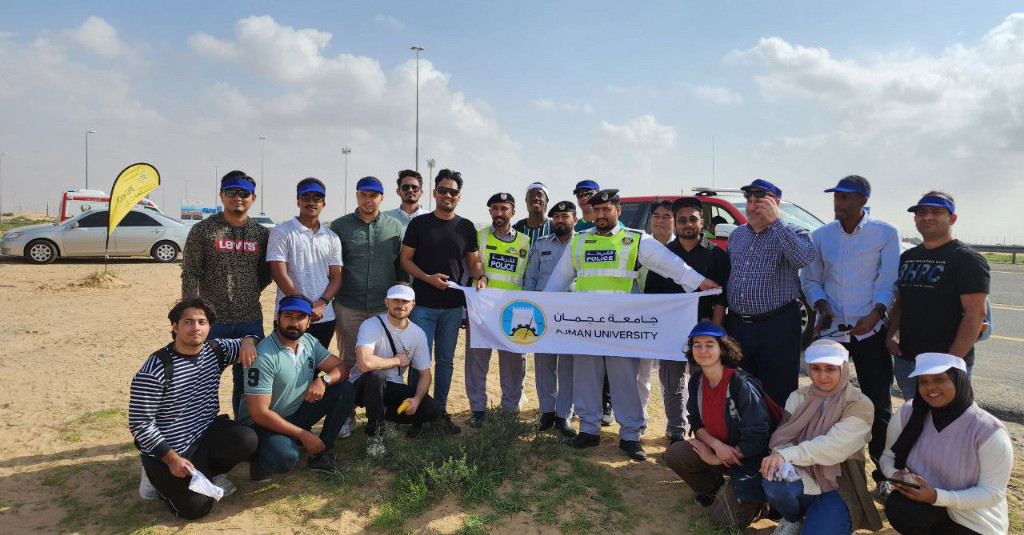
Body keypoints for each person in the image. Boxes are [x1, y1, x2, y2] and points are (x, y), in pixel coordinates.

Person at [544, 189, 719, 461]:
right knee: (586, 378)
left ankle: (630, 436)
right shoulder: (579, 242)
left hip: (622, 328)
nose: (601, 215)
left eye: (606, 210)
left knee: (625, 380)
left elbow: (670, 264)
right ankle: (588, 430)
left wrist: (699, 282)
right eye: (597, 210)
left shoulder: (635, 240)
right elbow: (556, 282)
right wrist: (543, 307)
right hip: (587, 327)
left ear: (617, 210)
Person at [800, 175, 901, 487]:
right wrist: (822, 305)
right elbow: (811, 278)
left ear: (863, 201)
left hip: (869, 332)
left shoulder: (885, 233)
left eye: (846, 198)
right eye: (836, 197)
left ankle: (883, 473)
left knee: (878, 403)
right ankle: (831, 469)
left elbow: (888, 281)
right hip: (834, 337)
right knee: (828, 400)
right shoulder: (821, 236)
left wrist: (877, 313)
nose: (838, 203)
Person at [128, 298, 259, 519]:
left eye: (202, 322)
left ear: (210, 327)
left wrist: (249, 339)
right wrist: (171, 459)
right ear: (175, 326)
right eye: (188, 322)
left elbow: (250, 341)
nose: (195, 328)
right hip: (168, 449)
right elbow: (140, 424)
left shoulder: (216, 350)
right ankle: (152, 479)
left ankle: (206, 473)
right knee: (197, 508)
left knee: (247, 439)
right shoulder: (156, 369)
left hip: (203, 434)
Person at [760, 340, 883, 535]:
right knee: (773, 483)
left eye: (830, 369)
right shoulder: (799, 397)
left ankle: (832, 518)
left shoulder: (859, 404)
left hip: (840, 481)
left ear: (843, 369)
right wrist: (782, 456)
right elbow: (782, 437)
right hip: (801, 471)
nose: (822, 376)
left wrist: (786, 454)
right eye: (816, 368)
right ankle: (793, 518)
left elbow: (833, 447)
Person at [881, 353, 1013, 535]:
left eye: (939, 379)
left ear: (959, 380)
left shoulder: (988, 431)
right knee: (899, 507)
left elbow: (992, 493)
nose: (930, 387)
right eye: (923, 381)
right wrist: (894, 474)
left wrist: (937, 496)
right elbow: (888, 456)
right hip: (927, 507)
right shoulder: (909, 413)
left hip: (973, 520)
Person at [399, 169, 486, 433]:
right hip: (422, 305)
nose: (448, 195)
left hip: (452, 307)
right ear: (435, 192)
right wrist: (427, 278)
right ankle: (417, 414)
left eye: (454, 192)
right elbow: (405, 260)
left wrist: (481, 277)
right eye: (443, 190)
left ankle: (438, 413)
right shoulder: (419, 224)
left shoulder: (467, 227)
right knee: (419, 361)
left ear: (459, 196)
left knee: (446, 361)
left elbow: (474, 262)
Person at [180, 170, 272, 418]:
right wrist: (190, 314)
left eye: (244, 193)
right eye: (231, 192)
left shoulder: (262, 235)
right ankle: (202, 432)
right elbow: (190, 272)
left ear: (253, 197)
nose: (237, 198)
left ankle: (244, 433)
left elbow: (266, 273)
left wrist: (249, 291)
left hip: (249, 320)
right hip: (213, 321)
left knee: (248, 384)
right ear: (222, 195)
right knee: (201, 380)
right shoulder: (203, 230)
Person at [662, 322, 770, 530]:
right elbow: (696, 420)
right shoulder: (696, 381)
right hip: (720, 451)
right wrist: (715, 447)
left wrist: (716, 456)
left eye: (709, 344)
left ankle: (760, 500)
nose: (703, 350)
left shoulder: (742, 384)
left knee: (722, 524)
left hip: (749, 462)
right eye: (697, 345)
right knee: (675, 454)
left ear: (722, 348)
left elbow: (758, 436)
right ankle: (714, 488)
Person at [239, 295, 355, 480]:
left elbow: (344, 370)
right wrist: (303, 435)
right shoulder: (264, 355)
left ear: (309, 322)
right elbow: (259, 413)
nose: (294, 322)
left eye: (301, 317)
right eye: (288, 316)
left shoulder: (309, 342)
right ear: (278, 318)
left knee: (345, 389)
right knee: (285, 458)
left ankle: (320, 455)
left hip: (294, 414)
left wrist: (323, 381)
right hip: (262, 425)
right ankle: (258, 459)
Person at [645, 197, 730, 444]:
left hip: (704, 330)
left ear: (702, 221)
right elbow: (653, 298)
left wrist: (716, 330)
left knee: (704, 382)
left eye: (693, 219)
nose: (687, 224)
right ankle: (675, 432)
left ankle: (706, 433)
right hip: (671, 332)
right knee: (672, 383)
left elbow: (722, 298)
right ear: (675, 223)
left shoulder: (716, 254)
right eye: (681, 220)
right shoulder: (664, 255)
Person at [887, 192, 989, 399]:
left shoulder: (966, 259)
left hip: (946, 362)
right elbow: (901, 300)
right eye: (921, 212)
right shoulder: (908, 257)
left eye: (936, 212)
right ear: (915, 219)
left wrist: (949, 362)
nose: (927, 217)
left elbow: (976, 314)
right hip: (907, 361)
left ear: (952, 218)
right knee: (915, 417)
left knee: (947, 424)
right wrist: (891, 333)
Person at [724, 179, 815, 405]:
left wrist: (777, 222)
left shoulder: (795, 232)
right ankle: (746, 438)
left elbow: (802, 259)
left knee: (777, 392)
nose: (753, 206)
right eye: (749, 201)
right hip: (739, 326)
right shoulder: (737, 235)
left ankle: (777, 440)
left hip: (777, 326)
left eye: (760, 201)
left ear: (775, 203)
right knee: (740, 389)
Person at [330, 176, 404, 437]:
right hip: (349, 305)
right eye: (363, 194)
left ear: (382, 198)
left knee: (387, 364)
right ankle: (346, 416)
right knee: (350, 361)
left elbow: (401, 267)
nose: (368, 199)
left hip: (382, 309)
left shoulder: (395, 227)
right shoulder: (340, 226)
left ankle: (387, 416)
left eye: (374, 195)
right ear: (357, 195)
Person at [465, 192, 530, 428]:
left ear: (513, 212)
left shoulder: (525, 241)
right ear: (490, 212)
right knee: (476, 362)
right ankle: (478, 409)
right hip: (481, 310)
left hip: (513, 312)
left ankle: (510, 410)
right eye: (495, 208)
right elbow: (470, 267)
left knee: (513, 363)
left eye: (504, 208)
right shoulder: (478, 236)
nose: (499, 213)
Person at [352, 284, 442, 443]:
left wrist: (417, 399)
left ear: (413, 304)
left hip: (392, 385)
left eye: (405, 301)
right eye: (395, 300)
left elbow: (425, 374)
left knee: (432, 409)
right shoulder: (371, 325)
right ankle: (375, 436)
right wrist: (396, 361)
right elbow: (364, 363)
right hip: (361, 386)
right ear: (386, 302)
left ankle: (384, 414)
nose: (400, 305)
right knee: (376, 376)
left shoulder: (417, 334)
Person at [267, 177, 343, 350]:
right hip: (291, 315)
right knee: (286, 368)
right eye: (306, 197)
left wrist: (321, 303)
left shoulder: (332, 237)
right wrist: (305, 307)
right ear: (298, 201)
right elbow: (279, 274)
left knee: (315, 368)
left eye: (317, 198)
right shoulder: (282, 231)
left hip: (323, 316)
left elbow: (336, 278)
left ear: (323, 203)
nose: (311, 202)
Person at [523, 200, 579, 437]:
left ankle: (563, 415)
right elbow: (531, 279)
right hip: (543, 316)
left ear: (575, 220)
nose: (560, 221)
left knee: (568, 367)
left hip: (571, 316)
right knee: (544, 366)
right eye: (556, 216)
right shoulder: (542, 243)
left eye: (565, 216)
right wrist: (530, 309)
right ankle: (546, 412)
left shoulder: (583, 243)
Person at [571, 180, 614, 425]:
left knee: (608, 361)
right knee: (585, 360)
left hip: (609, 307)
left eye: (588, 193)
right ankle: (586, 407)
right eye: (579, 194)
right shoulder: (578, 229)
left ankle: (606, 404)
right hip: (582, 306)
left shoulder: (609, 224)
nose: (583, 198)